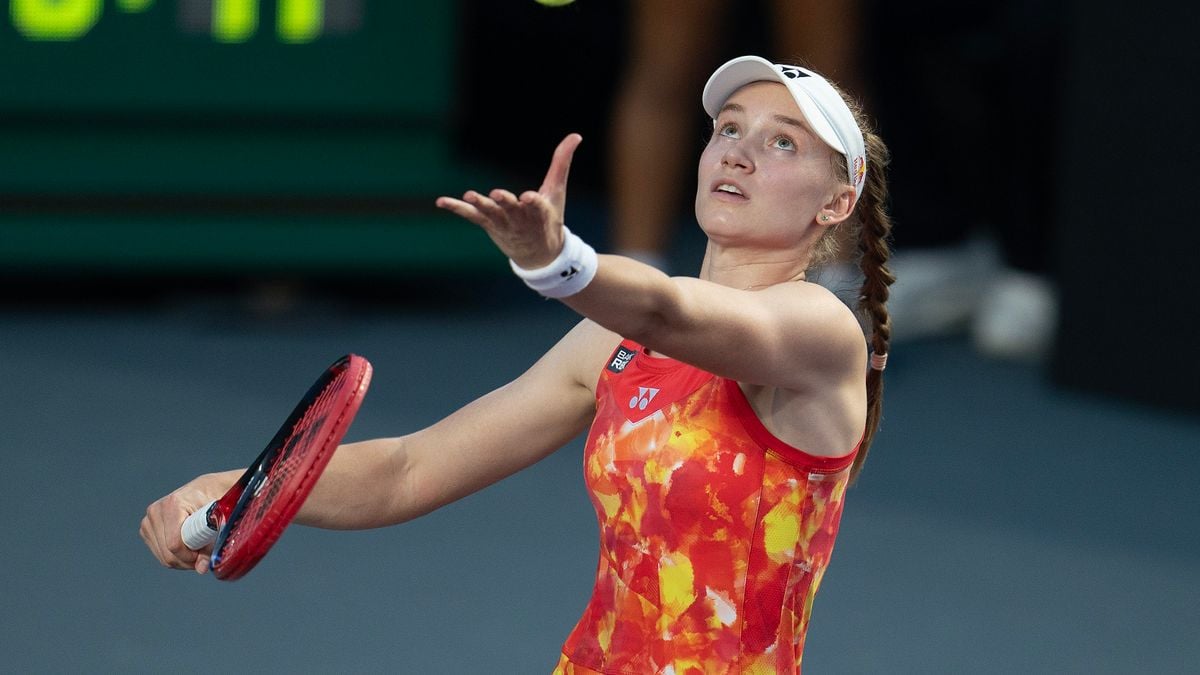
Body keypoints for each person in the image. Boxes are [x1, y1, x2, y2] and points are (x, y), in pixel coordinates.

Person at [141, 55, 895, 672]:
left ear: (836, 203)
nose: (738, 151)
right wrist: (243, 486)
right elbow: (412, 465)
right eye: (729, 128)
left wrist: (561, 264)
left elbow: (670, 308)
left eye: (782, 142)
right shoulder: (615, 345)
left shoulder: (821, 333)